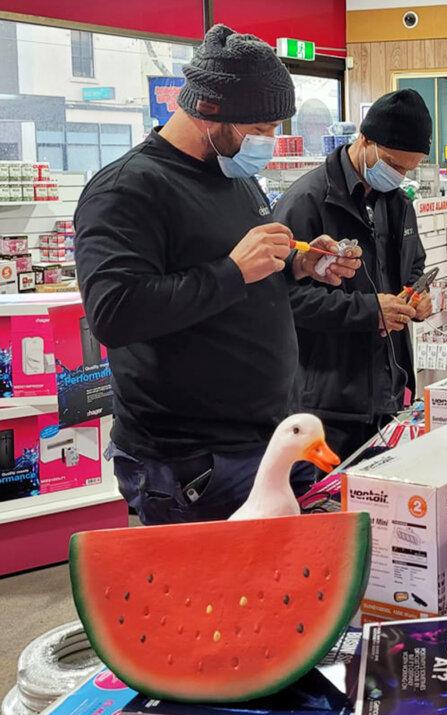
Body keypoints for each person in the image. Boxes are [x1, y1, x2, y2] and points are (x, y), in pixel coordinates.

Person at [74, 25, 360, 525]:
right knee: (203, 598)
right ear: (207, 111)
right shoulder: (127, 189)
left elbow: (244, 280)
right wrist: (232, 270)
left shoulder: (235, 176)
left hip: (266, 441)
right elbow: (114, 313)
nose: (270, 141)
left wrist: (296, 264)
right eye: (262, 128)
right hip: (192, 461)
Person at [274, 89, 434, 457]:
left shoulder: (398, 203)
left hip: (387, 392)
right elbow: (281, 298)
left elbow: (414, 264)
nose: (398, 175)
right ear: (365, 140)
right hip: (326, 401)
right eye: (393, 164)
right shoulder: (307, 202)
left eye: (408, 169)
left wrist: (415, 297)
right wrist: (368, 311)